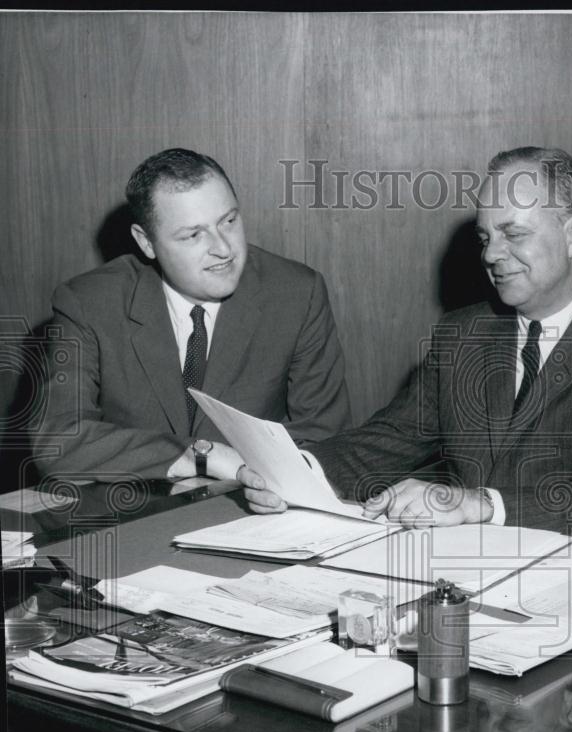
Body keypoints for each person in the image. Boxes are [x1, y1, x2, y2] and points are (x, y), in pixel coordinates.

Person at [242, 146, 572, 541]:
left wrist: (479, 503)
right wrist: (297, 474)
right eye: (485, 237)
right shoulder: (462, 334)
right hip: (451, 572)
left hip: (568, 579)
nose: (491, 255)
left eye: (513, 234)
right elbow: (392, 437)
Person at [33, 148, 352, 482]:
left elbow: (326, 440)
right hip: (132, 512)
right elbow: (58, 441)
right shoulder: (89, 303)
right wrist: (199, 456)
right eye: (193, 234)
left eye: (229, 221)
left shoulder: (296, 293)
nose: (224, 248)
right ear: (147, 243)